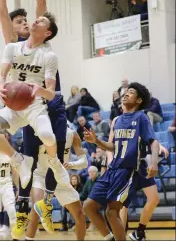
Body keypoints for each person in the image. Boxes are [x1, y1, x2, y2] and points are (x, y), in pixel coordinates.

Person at [0, 0, 69, 237]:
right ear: (14, 29)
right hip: (29, 108)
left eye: (28, 20)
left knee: (53, 158)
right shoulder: (12, 46)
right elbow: (1, 11)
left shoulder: (44, 42)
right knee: (28, 162)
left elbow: (42, 0)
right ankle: (24, 217)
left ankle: (44, 204)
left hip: (52, 104)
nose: (26, 23)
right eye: (21, 22)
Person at [83, 82, 159, 241]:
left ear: (138, 101)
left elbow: (154, 142)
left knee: (111, 211)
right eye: (125, 91)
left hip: (127, 170)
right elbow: (113, 147)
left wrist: (154, 163)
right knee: (88, 207)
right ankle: (110, 238)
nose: (125, 94)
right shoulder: (117, 120)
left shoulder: (141, 117)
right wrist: (96, 141)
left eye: (130, 92)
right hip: (112, 170)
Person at [24, 128, 87, 240]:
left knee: (80, 214)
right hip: (41, 175)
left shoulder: (72, 134)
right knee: (36, 209)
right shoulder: (39, 131)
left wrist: (72, 164)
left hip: (60, 176)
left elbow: (84, 162)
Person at [118, 142, 169, 241]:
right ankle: (120, 237)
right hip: (127, 166)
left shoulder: (143, 126)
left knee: (154, 199)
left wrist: (159, 146)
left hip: (142, 164)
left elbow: (149, 137)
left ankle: (139, 232)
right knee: (123, 205)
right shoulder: (118, 127)